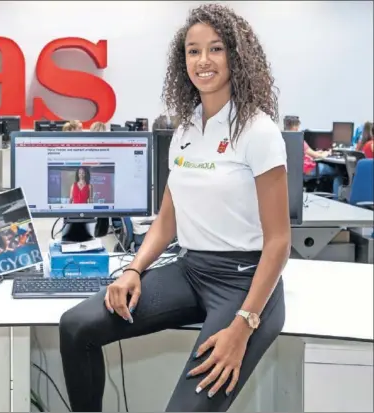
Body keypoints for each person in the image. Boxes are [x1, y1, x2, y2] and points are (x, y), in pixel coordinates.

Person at [59, 4, 290, 412]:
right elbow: (168, 220)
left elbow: (278, 242)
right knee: (76, 327)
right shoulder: (185, 128)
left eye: (216, 49)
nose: (203, 61)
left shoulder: (259, 131)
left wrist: (244, 325)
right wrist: (133, 269)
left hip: (246, 284)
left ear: (236, 55)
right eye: (192, 50)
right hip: (192, 269)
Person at [285, 115, 342, 196]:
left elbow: (311, 153)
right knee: (338, 172)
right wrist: (326, 153)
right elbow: (318, 156)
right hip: (308, 170)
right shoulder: (299, 140)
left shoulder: (284, 138)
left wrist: (319, 152)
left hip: (294, 172)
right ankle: (337, 200)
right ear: (295, 126)